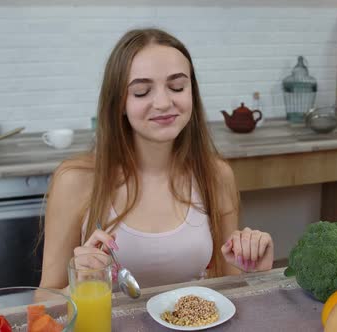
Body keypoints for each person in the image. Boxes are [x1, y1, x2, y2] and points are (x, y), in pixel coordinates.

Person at [39, 28, 274, 290]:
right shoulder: (75, 180)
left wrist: (253, 272)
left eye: (177, 87)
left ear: (192, 94)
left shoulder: (216, 174)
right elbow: (44, 301)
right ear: (119, 103)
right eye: (141, 91)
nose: (163, 103)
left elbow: (230, 282)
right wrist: (78, 286)